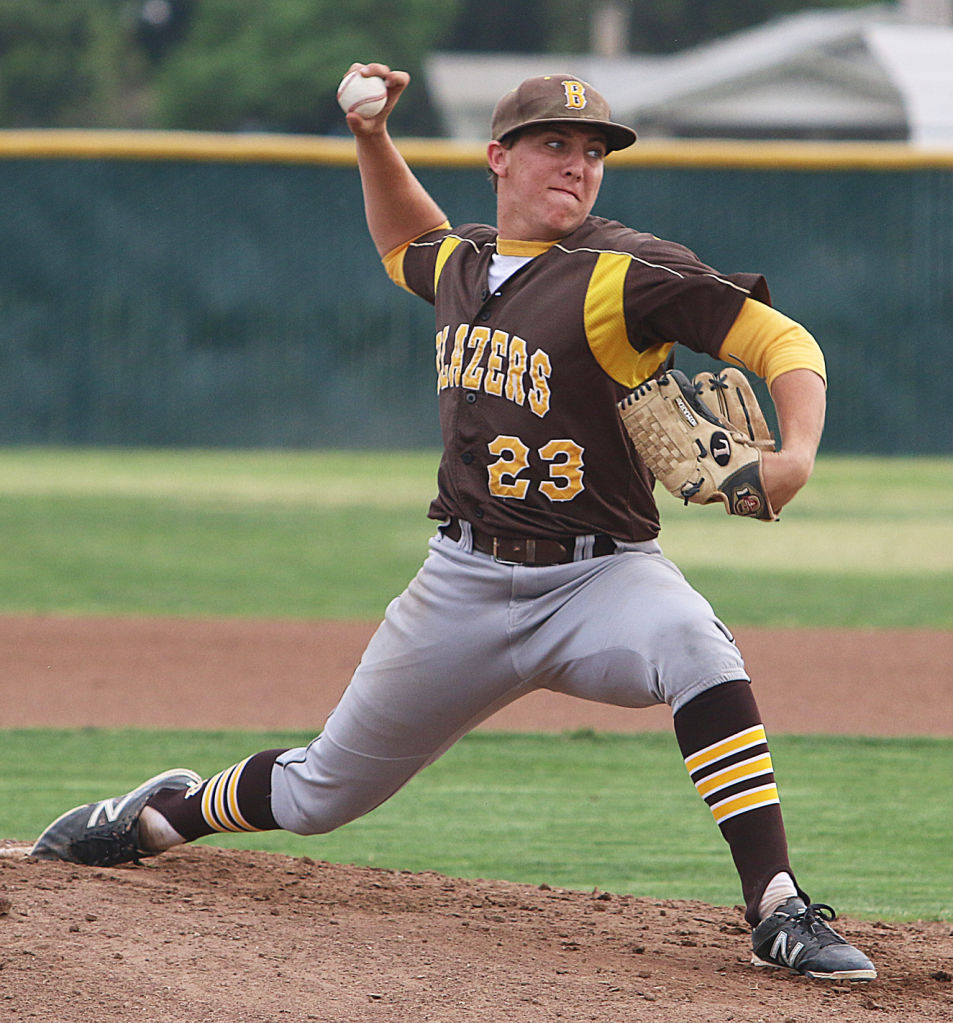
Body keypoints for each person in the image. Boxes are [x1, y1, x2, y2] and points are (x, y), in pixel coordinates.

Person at [32, 65, 875, 982]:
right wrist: (371, 136)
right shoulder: (465, 265)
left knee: (697, 646)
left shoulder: (627, 271)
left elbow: (783, 341)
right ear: (496, 158)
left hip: (602, 578)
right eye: (554, 144)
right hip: (461, 584)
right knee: (321, 793)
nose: (577, 165)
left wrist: (794, 453)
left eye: (593, 151)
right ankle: (163, 813)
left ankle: (776, 905)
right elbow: (406, 240)